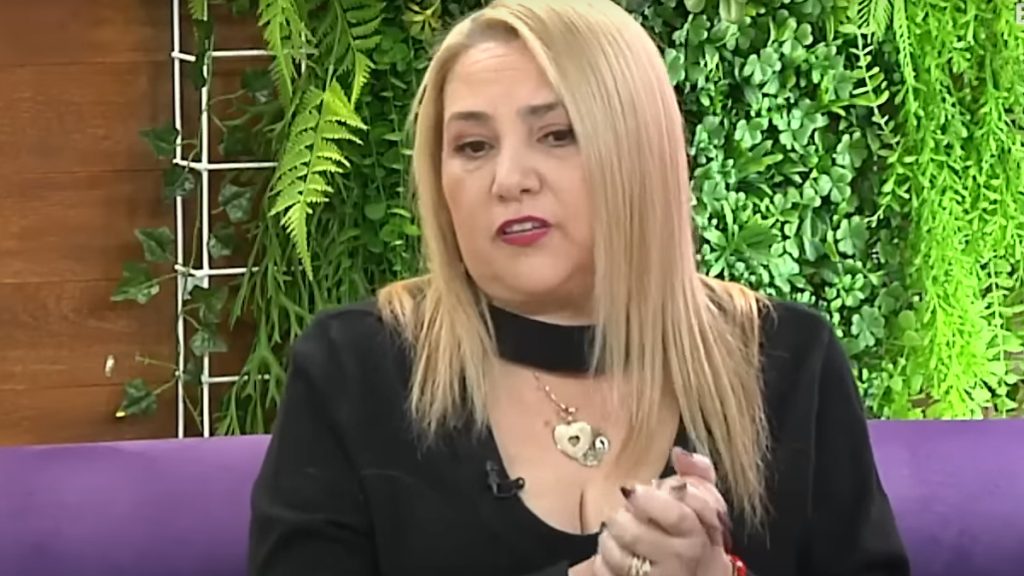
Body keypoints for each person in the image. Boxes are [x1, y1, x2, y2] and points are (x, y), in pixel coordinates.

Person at [247, 1, 911, 575]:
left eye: (557, 135)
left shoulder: (786, 362)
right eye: (473, 146)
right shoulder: (356, 368)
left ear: (639, 155)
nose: (510, 179)